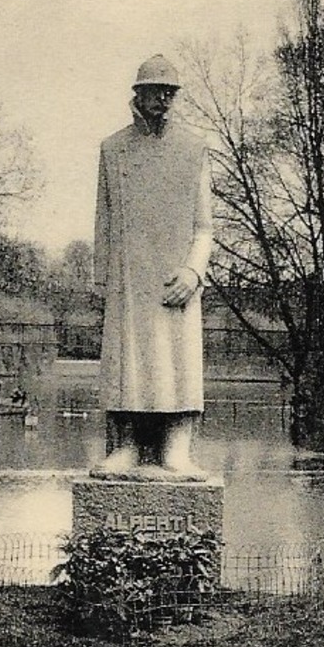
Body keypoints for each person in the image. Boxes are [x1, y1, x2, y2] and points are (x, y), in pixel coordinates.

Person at [92, 54, 213, 478]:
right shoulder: (113, 149)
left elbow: (205, 228)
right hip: (129, 284)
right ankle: (125, 447)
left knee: (177, 365)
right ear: (137, 94)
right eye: (156, 90)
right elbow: (103, 221)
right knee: (128, 363)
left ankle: (176, 450)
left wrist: (193, 272)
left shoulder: (194, 148)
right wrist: (103, 281)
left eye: (170, 91)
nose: (163, 98)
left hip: (177, 283)